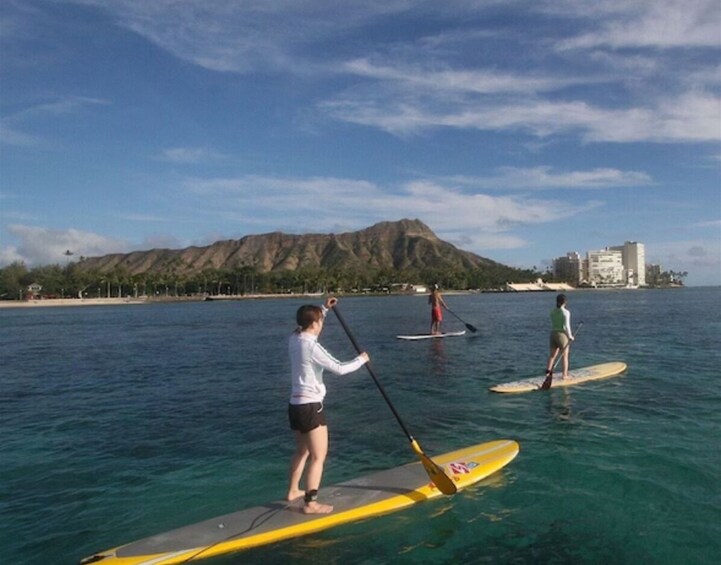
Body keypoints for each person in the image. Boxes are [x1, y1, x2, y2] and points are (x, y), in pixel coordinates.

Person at [287, 297, 369, 514]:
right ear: (314, 324)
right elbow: (340, 368)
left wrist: (324, 308)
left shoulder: (293, 339)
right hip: (311, 407)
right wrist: (361, 360)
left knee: (302, 452)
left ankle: (293, 491)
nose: (321, 324)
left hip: (294, 406)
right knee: (318, 457)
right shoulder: (312, 346)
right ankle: (311, 504)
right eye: (320, 321)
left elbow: (303, 324)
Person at [545, 293, 575, 380]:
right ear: (565, 302)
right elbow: (566, 326)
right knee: (565, 356)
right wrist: (570, 336)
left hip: (553, 334)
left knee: (552, 356)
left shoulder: (552, 312)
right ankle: (564, 375)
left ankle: (547, 374)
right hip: (562, 335)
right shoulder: (566, 312)